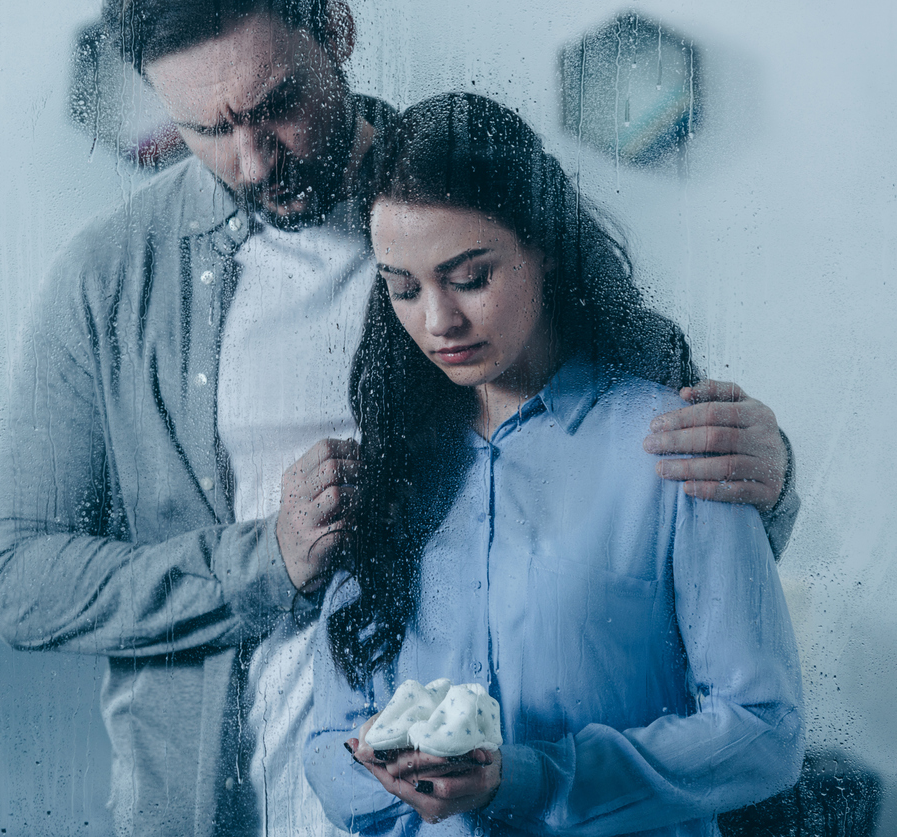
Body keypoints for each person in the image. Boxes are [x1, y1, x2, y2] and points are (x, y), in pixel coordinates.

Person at [0, 2, 801, 834]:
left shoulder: (468, 188)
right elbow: (18, 581)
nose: (254, 158)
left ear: (336, 30)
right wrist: (266, 560)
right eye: (207, 128)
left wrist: (773, 474)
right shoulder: (108, 277)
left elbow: (647, 502)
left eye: (277, 105)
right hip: (222, 803)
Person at [305, 92, 803, 836]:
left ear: (542, 245)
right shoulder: (393, 469)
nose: (437, 321)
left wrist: (535, 777)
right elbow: (327, 745)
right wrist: (400, 776)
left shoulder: (673, 446)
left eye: (469, 276)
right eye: (403, 288)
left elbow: (764, 731)